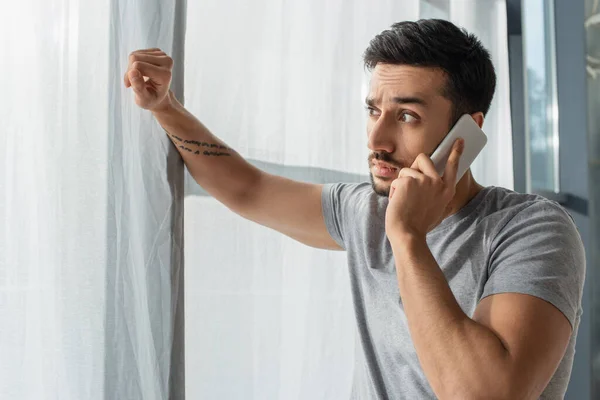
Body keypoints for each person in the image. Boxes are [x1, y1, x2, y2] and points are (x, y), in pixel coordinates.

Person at [124, 19, 585, 400]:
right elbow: (248, 189)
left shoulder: (531, 229)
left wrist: (406, 237)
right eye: (372, 111)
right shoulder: (363, 210)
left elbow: (484, 395)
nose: (376, 140)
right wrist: (166, 107)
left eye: (406, 116)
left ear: (467, 132)